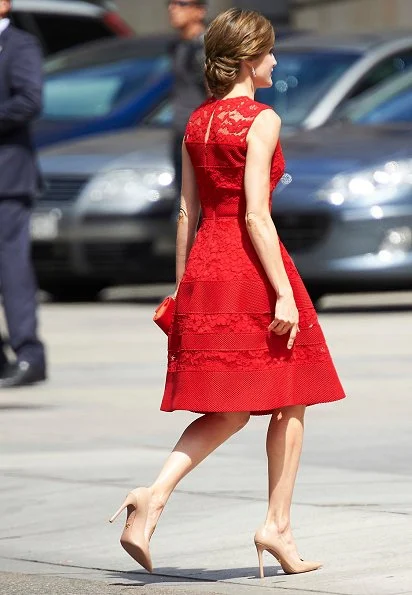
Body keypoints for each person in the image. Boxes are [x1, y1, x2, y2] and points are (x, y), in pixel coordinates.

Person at [110, 8, 345, 577]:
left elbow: (187, 208)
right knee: (292, 393)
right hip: (249, 266)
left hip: (205, 267)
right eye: (268, 53)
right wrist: (283, 293)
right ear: (247, 61)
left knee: (230, 408)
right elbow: (257, 217)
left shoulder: (197, 121)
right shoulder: (261, 120)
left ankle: (153, 494)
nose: (275, 61)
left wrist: (180, 285)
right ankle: (276, 526)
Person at [0, 0, 47, 388]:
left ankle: (29, 355)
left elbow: (30, 100)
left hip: (8, 178)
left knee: (12, 268)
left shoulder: (20, 45)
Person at [168, 0, 208, 204]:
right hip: (180, 131)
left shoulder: (204, 47)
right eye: (171, 3)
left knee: (198, 205)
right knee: (183, 202)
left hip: (200, 136)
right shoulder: (178, 46)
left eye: (181, 4)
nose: (172, 9)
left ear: (199, 11)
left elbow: (216, 92)